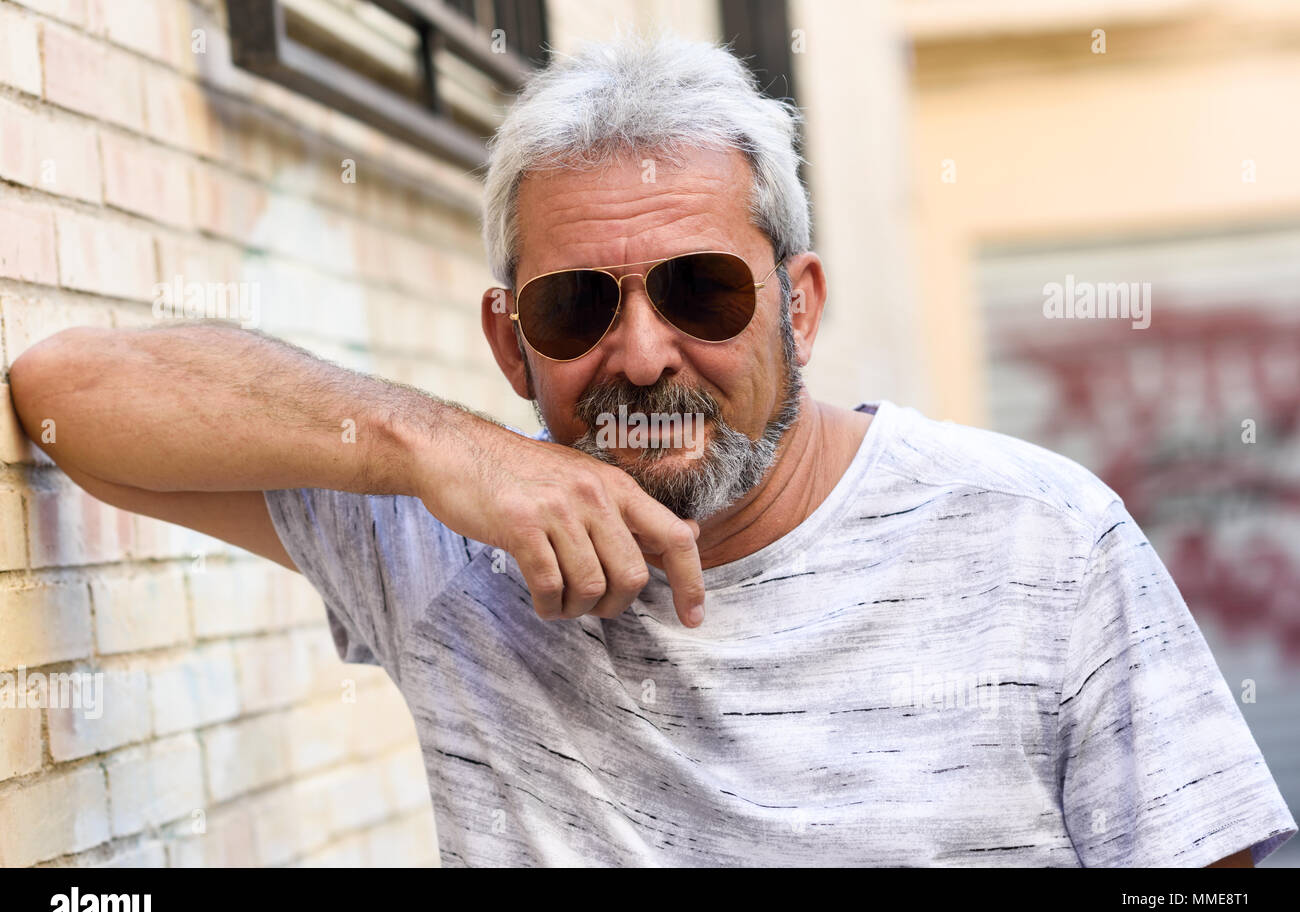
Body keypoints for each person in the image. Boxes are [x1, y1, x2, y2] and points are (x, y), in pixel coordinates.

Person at [9, 31, 1294, 868]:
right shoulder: (451, 532)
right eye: (578, 308)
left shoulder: (1038, 537)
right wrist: (430, 446)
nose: (638, 354)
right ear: (511, 346)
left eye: (701, 292)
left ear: (798, 304)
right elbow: (67, 393)